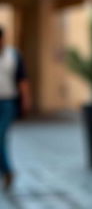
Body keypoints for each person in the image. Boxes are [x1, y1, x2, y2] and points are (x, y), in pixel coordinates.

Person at [0, 26, 30, 190]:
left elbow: (22, 80)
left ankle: (7, 171)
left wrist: (26, 100)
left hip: (7, 102)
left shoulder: (13, 55)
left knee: (1, 136)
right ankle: (7, 170)